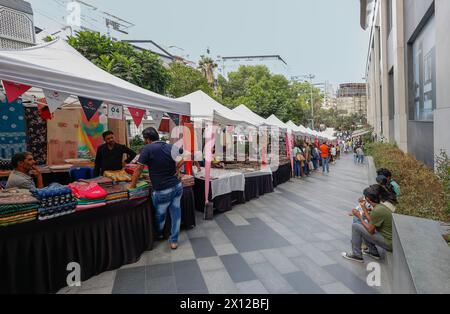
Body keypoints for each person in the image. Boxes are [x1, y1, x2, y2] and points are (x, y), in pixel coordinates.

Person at [129, 127, 184, 250]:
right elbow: (185, 155)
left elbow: (138, 169)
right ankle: (174, 241)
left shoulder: (148, 148)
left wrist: (132, 186)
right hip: (177, 186)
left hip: (162, 189)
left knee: (160, 215)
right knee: (176, 214)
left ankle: (159, 234)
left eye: (144, 139)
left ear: (147, 139)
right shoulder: (170, 146)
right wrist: (177, 169)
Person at [342, 185, 393, 262]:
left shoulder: (377, 210)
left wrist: (359, 217)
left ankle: (357, 255)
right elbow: (372, 220)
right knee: (363, 225)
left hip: (388, 242)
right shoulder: (380, 206)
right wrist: (364, 208)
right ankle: (373, 252)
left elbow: (370, 230)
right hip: (387, 238)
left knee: (356, 226)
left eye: (365, 196)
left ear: (368, 199)